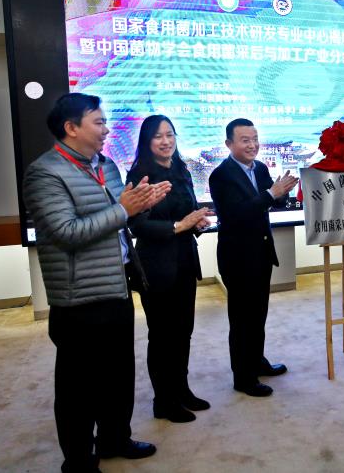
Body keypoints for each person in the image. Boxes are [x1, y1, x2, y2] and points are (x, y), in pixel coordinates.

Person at [23, 93, 170, 472]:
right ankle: (78, 461)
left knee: (118, 376)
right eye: (99, 122)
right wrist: (123, 209)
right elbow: (66, 232)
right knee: (78, 389)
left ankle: (115, 439)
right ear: (71, 128)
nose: (107, 129)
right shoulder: (45, 173)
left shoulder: (106, 165)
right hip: (79, 299)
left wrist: (141, 204)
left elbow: (117, 219)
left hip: (117, 286)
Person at [126, 115, 213, 422]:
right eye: (158, 136)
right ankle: (163, 401)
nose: (166, 141)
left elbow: (186, 213)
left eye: (170, 134)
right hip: (156, 266)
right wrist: (179, 226)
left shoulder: (181, 169)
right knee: (162, 335)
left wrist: (196, 222)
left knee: (183, 331)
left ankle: (181, 390)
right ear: (147, 141)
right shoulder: (140, 175)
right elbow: (136, 225)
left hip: (185, 261)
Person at [208, 118, 299, 397]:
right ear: (229, 144)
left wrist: (282, 193)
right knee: (242, 320)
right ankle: (243, 377)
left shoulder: (259, 168)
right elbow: (237, 215)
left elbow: (270, 201)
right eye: (245, 140)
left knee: (258, 314)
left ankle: (257, 361)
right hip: (237, 259)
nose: (253, 145)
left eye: (255, 139)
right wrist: (272, 193)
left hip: (261, 253)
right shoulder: (220, 176)